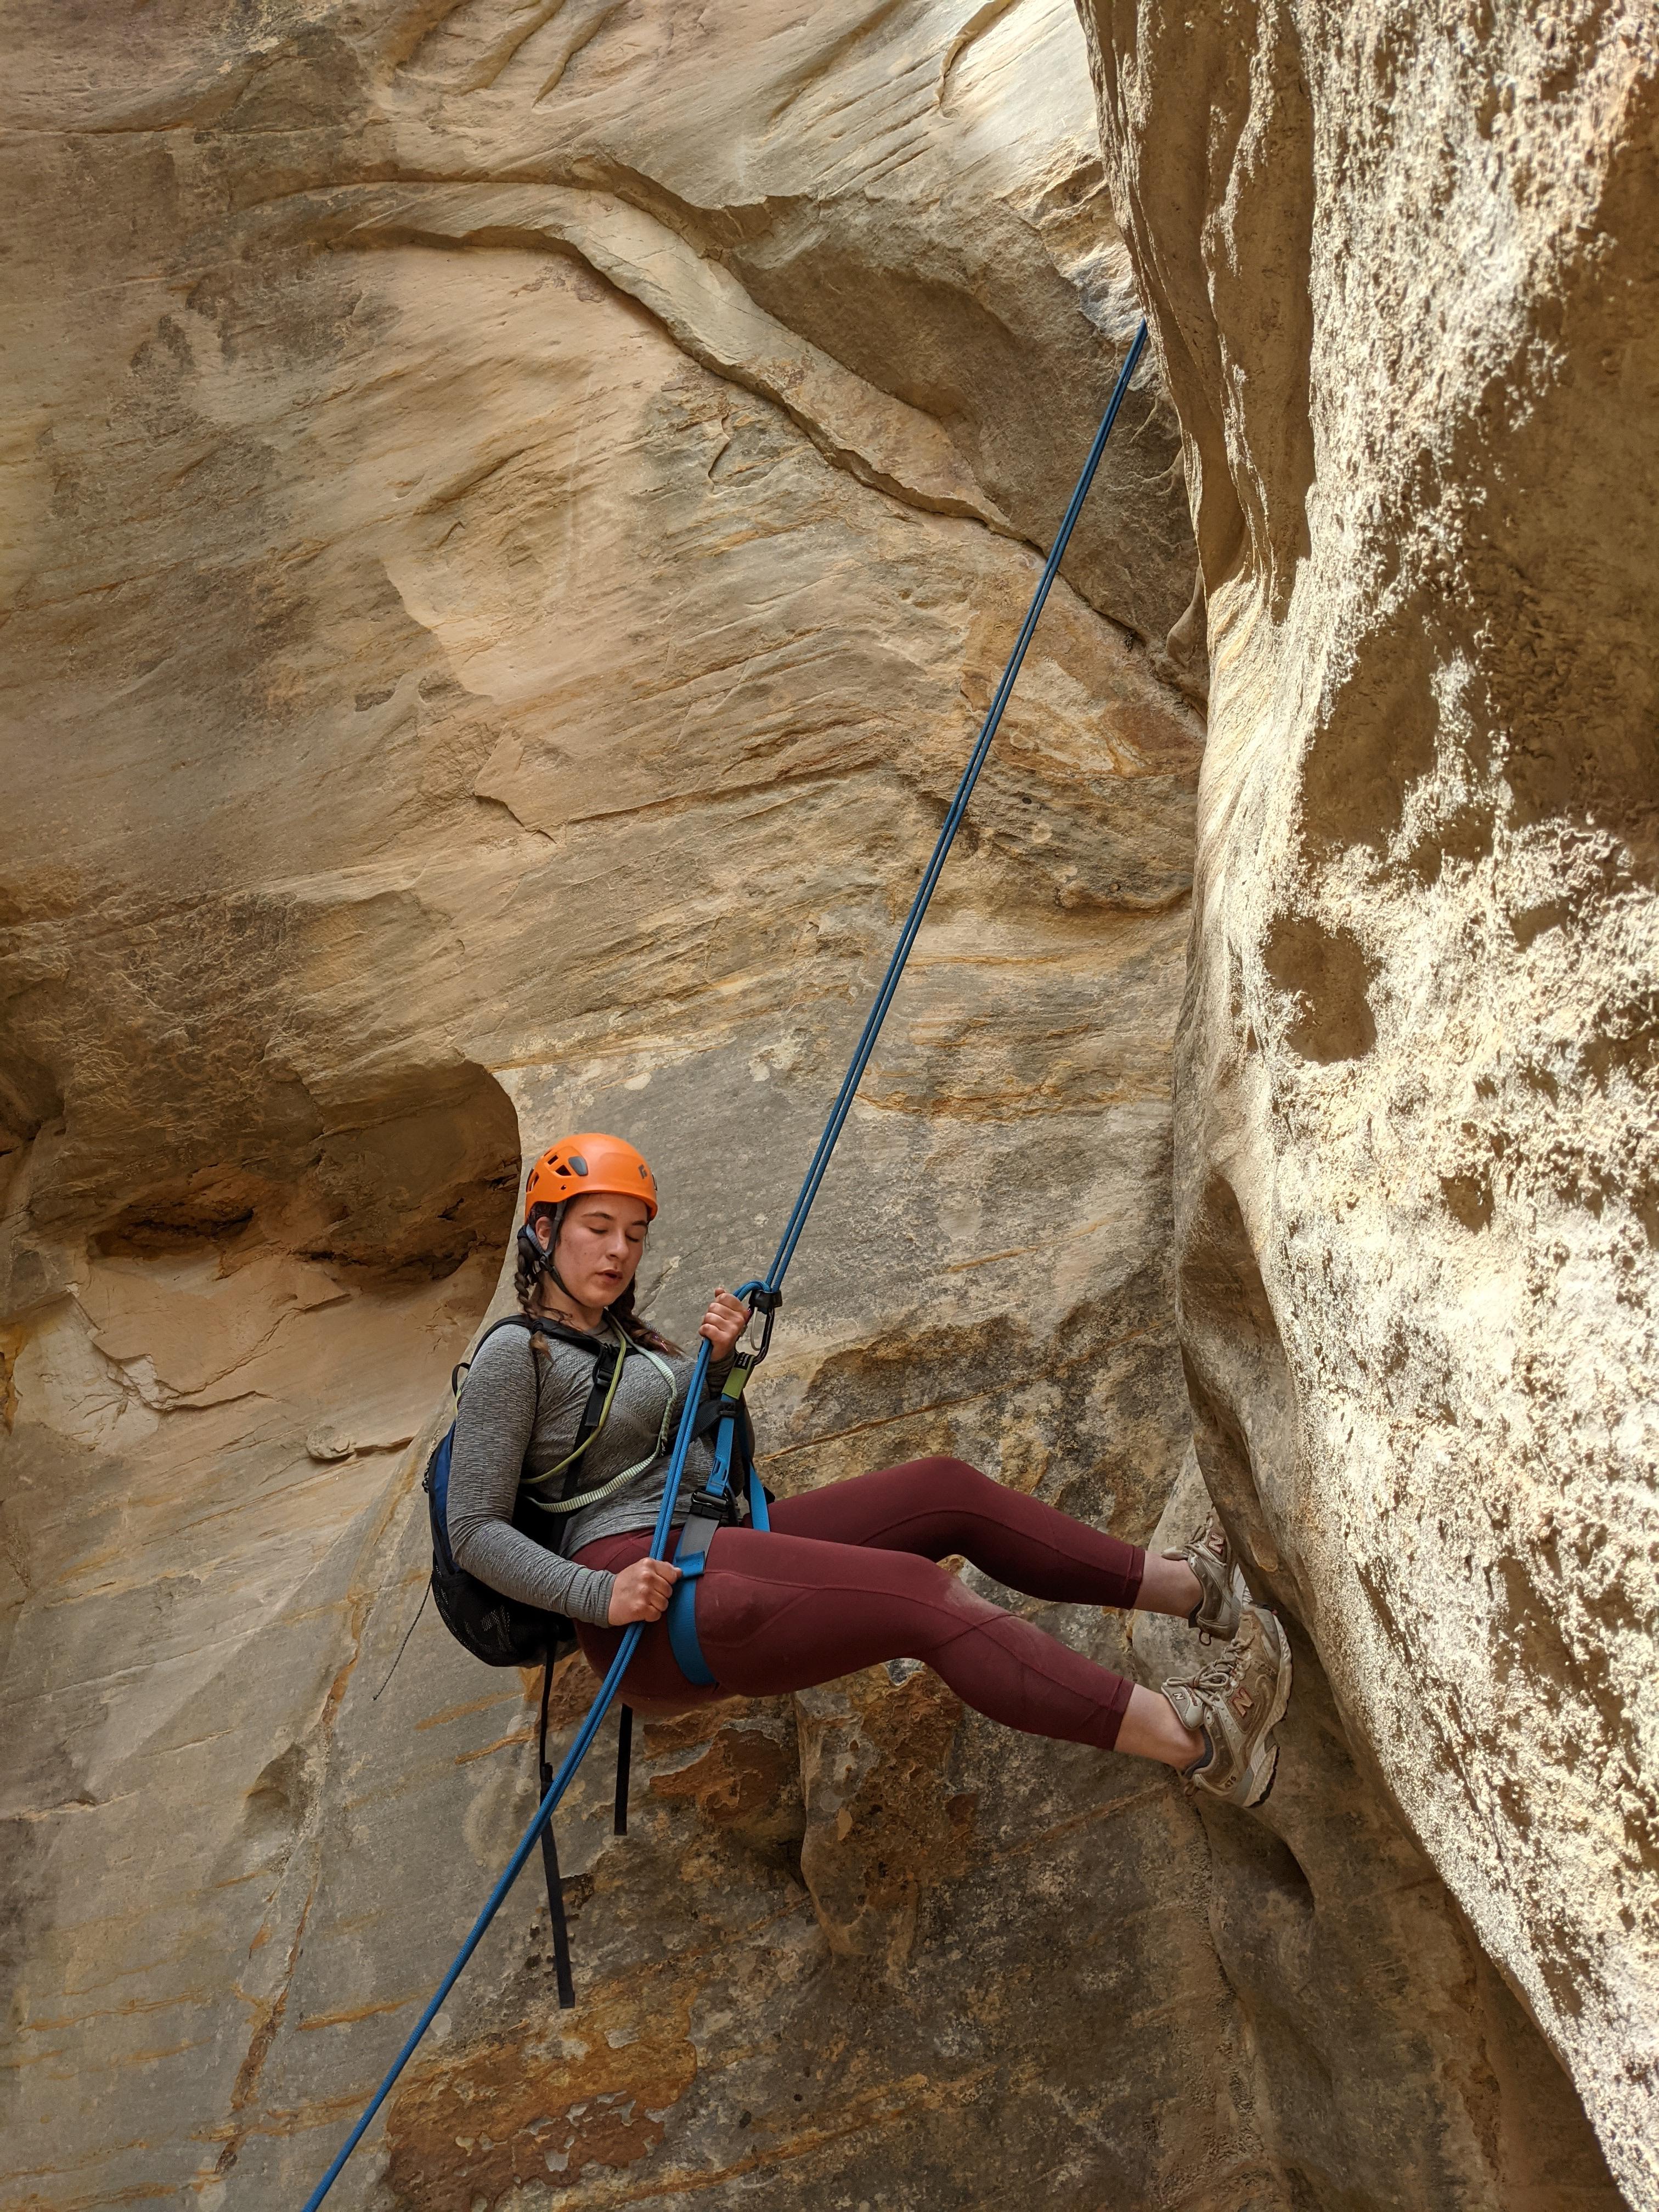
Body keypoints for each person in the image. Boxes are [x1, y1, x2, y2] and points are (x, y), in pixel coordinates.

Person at [447, 1134, 1292, 1807]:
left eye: (634, 1233)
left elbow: (696, 1446)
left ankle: (1194, 1589)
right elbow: (475, 1529)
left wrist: (719, 1367)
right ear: (544, 1230)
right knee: (921, 1601)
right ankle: (1198, 1740)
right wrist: (600, 1596)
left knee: (944, 1491)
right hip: (649, 1599)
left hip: (708, 1541)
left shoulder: (634, 1342)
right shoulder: (512, 1357)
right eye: (597, 1227)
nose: (620, 1250)